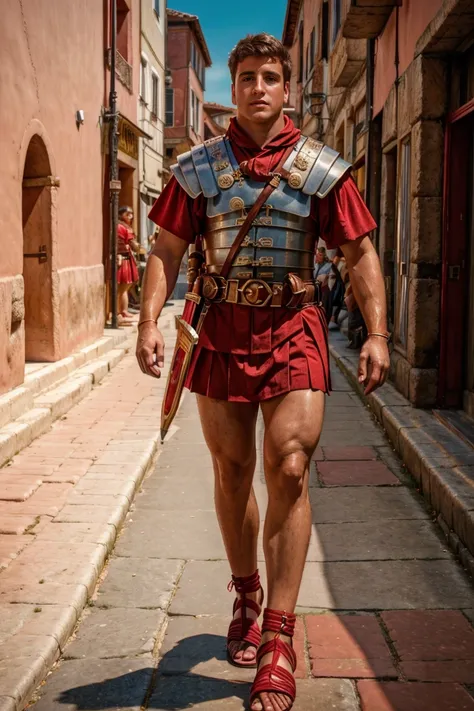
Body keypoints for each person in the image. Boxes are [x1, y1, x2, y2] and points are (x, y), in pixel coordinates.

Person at [136, 33, 390, 711]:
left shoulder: (322, 168)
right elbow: (166, 248)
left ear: (286, 88)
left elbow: (359, 255)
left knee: (289, 465)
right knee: (230, 469)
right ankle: (246, 587)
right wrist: (147, 321)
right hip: (219, 327)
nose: (256, 88)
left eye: (269, 77)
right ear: (238, 84)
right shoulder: (197, 169)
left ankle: (279, 631)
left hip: (293, 325)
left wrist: (379, 332)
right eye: (245, 76)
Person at [117, 206, 139, 322]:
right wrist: (137, 247)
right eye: (128, 214)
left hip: (127, 258)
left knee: (125, 287)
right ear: (121, 215)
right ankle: (116, 313)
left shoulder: (125, 226)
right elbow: (133, 245)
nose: (131, 216)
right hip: (122, 258)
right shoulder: (121, 227)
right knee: (120, 288)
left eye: (131, 214)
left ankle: (123, 310)